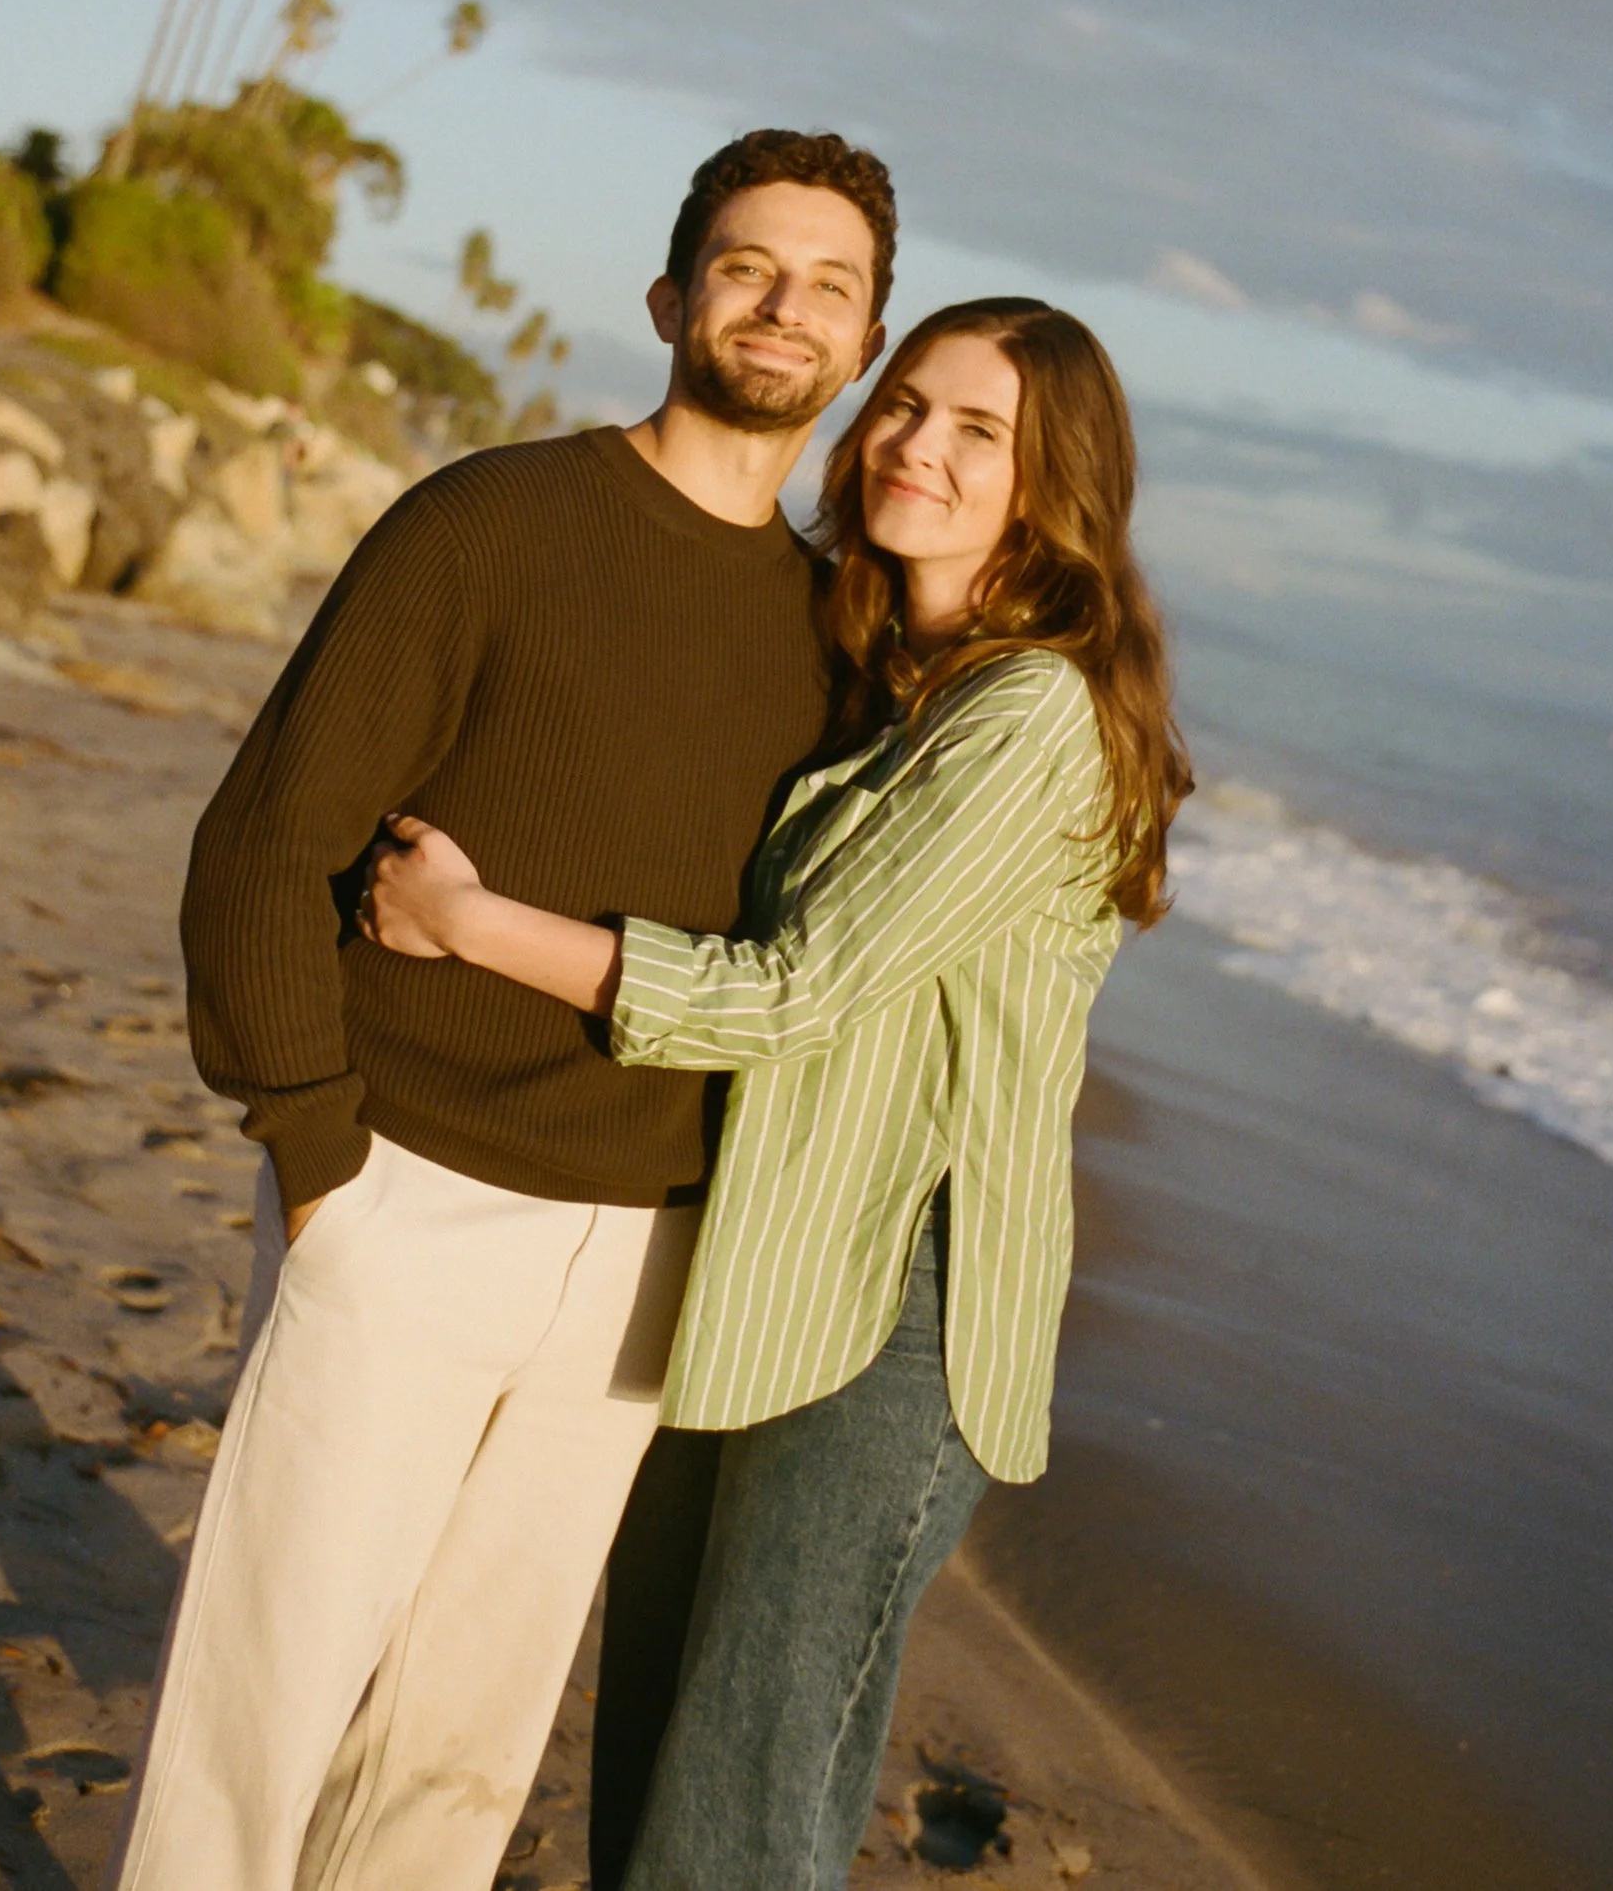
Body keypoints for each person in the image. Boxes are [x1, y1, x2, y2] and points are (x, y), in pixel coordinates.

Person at [104, 128, 896, 1891]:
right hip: (408, 1182)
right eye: (752, 266)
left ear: (861, 347)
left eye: (829, 286)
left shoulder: (839, 635)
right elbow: (264, 840)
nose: (785, 307)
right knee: (272, 1684)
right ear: (673, 293)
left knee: (464, 1747)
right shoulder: (491, 520)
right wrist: (319, 1157)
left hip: (641, 1261)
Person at [365, 294, 1192, 1891]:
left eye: (977, 432)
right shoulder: (902, 675)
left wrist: (469, 924)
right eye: (906, 405)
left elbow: (789, 993)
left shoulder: (1027, 716)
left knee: (741, 1791)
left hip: (899, 1304)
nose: (916, 447)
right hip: (763, 1259)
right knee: (667, 1740)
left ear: (1053, 484)